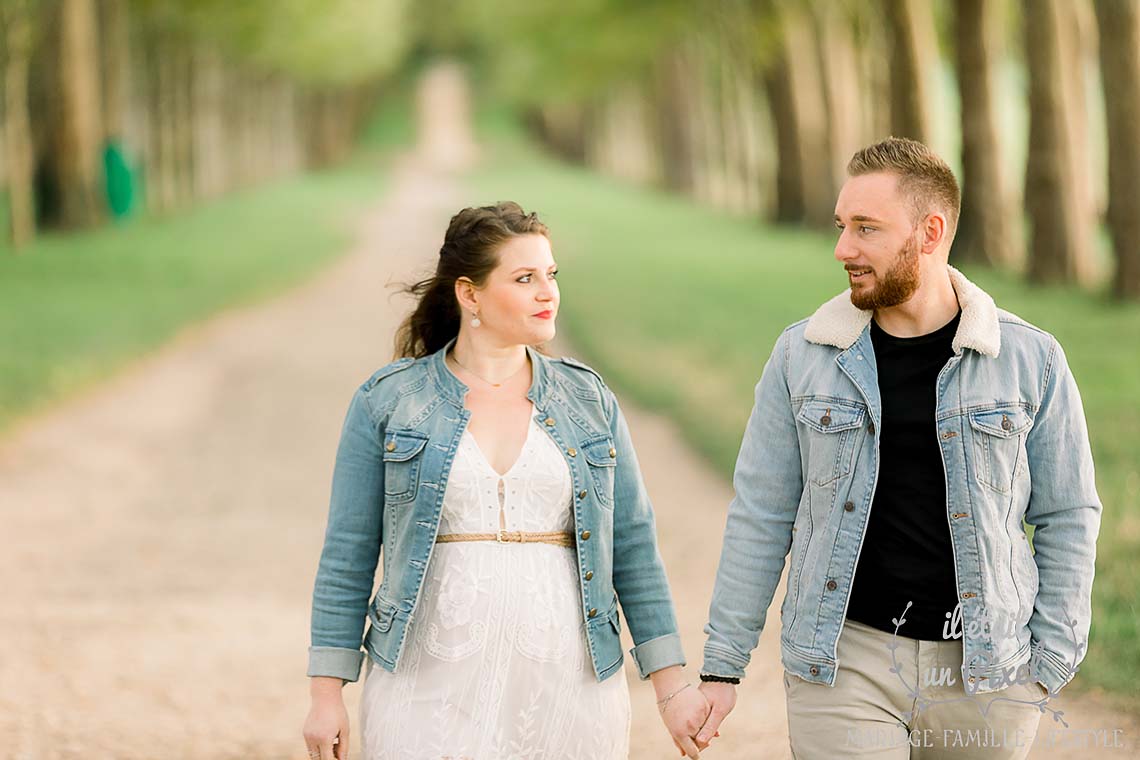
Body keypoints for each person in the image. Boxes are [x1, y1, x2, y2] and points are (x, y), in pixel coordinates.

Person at [686, 138, 1102, 758]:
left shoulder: (1028, 360)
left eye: (865, 229)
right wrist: (723, 666)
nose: (842, 249)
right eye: (841, 226)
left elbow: (1068, 514)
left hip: (986, 673)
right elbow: (761, 514)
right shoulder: (803, 357)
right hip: (843, 662)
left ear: (929, 232)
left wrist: (1048, 665)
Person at [301, 202, 711, 760]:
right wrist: (326, 695)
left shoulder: (588, 400)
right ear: (470, 294)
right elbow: (348, 554)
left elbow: (634, 549)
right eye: (525, 279)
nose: (548, 292)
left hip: (570, 682)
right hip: (426, 681)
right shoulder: (389, 399)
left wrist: (671, 690)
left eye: (551, 275)